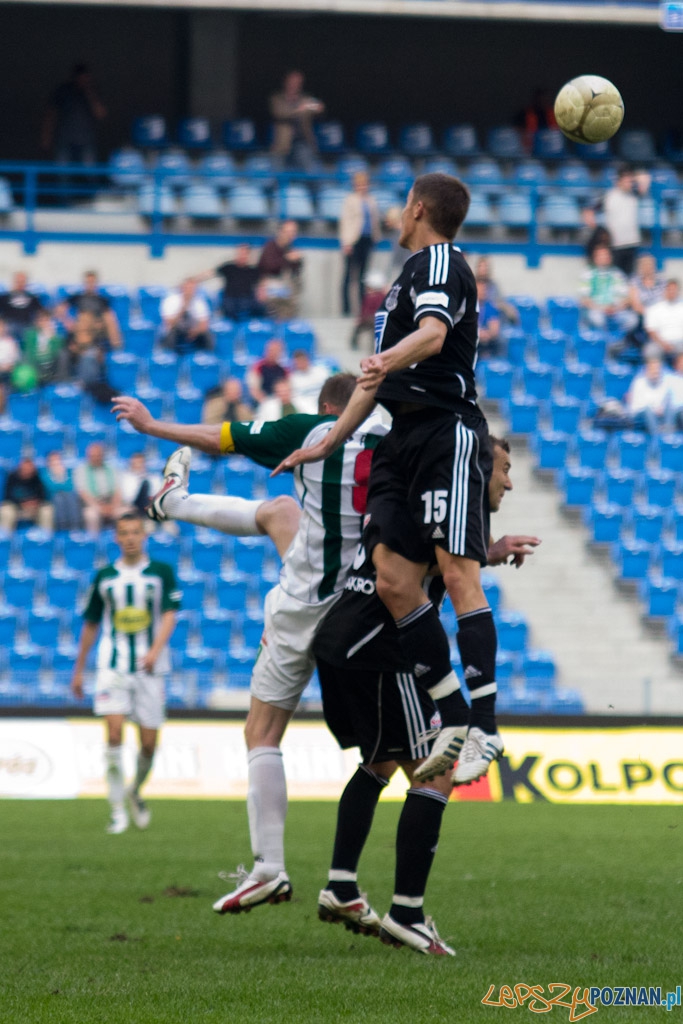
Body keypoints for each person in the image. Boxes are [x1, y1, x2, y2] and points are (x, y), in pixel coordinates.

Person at [111, 374, 388, 913]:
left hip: (304, 605)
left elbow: (220, 438)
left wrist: (151, 425)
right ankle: (371, 890)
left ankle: (268, 869)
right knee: (281, 511)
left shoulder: (310, 429)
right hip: (364, 606)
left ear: (329, 406)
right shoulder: (394, 438)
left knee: (261, 732)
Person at [275, 173, 502, 785]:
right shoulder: (407, 275)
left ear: (419, 208)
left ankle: (484, 727)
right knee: (396, 581)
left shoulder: (439, 260)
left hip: (442, 429)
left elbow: (431, 337)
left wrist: (386, 357)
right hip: (400, 438)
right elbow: (373, 382)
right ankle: (452, 714)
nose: (396, 216)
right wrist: (328, 440)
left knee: (455, 575)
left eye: (403, 205)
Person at [315, 437, 539, 954]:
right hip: (379, 652)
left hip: (341, 642)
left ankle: (342, 885)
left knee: (380, 765)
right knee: (438, 772)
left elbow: (423, 561)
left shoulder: (421, 502)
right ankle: (407, 912)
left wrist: (490, 549)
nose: (509, 480)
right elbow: (444, 573)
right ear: (478, 469)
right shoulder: (452, 508)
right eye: (504, 468)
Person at [70, 512, 179, 834]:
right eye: (124, 533)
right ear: (116, 538)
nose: (130, 538)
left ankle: (135, 790)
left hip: (151, 668)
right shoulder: (104, 577)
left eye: (135, 532)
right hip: (112, 666)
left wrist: (155, 650)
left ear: (144, 535)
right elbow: (91, 623)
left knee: (148, 745)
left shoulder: (161, 572)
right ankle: (116, 809)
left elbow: (170, 615)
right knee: (114, 735)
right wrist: (79, 670)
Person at [583, 164, 651, 277]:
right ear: (619, 181)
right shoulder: (609, 196)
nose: (629, 183)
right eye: (626, 180)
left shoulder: (634, 195)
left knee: (628, 277)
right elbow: (589, 211)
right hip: (615, 244)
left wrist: (636, 176)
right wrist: (595, 227)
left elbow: (645, 180)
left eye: (630, 180)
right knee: (615, 276)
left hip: (631, 243)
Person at [41, 62, 106, 166]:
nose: (83, 80)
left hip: (87, 140)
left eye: (86, 78)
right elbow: (50, 115)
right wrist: (46, 138)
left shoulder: (93, 91)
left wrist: (89, 94)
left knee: (91, 174)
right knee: (62, 174)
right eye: (81, 77)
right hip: (65, 140)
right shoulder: (63, 91)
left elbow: (101, 114)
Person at [339, 171, 381, 316]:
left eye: (364, 184)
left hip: (367, 240)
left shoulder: (371, 200)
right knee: (349, 275)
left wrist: (376, 236)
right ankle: (346, 310)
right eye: (360, 184)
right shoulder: (350, 200)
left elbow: (374, 221)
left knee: (364, 276)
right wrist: (346, 242)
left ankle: (364, 310)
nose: (362, 187)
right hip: (353, 240)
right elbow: (345, 222)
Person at [192, 244, 267, 322]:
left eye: (245, 253)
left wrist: (262, 292)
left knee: (257, 306)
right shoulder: (228, 267)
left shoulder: (253, 270)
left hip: (247, 298)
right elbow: (211, 273)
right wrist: (194, 280)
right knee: (228, 306)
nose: (242, 256)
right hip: (230, 298)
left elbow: (262, 283)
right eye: (240, 253)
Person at [269, 70, 324, 171]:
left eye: (298, 82)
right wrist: (299, 110)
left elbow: (319, 108)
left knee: (311, 169)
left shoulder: (306, 98)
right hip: (282, 143)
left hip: (302, 141)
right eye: (292, 81)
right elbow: (279, 113)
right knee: (277, 172)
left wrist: (315, 106)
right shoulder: (276, 98)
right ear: (286, 82)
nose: (295, 85)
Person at [57, 271, 122, 351]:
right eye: (88, 282)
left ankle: (117, 347)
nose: (90, 284)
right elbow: (60, 309)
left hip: (97, 328)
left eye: (92, 282)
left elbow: (108, 317)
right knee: (85, 317)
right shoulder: (78, 297)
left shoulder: (102, 300)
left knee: (109, 317)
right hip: (82, 326)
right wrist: (67, 321)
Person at [578, 243, 633, 334]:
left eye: (606, 255)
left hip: (616, 310)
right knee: (597, 318)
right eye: (601, 255)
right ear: (595, 258)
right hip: (596, 309)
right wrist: (602, 308)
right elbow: (584, 299)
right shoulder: (587, 274)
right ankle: (602, 341)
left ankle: (618, 341)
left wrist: (616, 308)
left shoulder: (617, 274)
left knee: (631, 320)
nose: (604, 257)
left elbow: (627, 298)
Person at [257, 221, 303, 320]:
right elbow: (270, 267)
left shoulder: (290, 248)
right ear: (281, 232)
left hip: (285, 286)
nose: (290, 235)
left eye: (293, 232)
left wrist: (298, 261)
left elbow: (296, 272)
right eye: (287, 232)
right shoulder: (270, 246)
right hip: (267, 284)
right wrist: (287, 258)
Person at [74, 442, 123, 533]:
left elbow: (117, 490)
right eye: (92, 456)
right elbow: (83, 493)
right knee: (91, 515)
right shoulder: (81, 470)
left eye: (97, 455)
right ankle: (94, 542)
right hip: (93, 504)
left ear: (102, 456)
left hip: (110, 502)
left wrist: (113, 506)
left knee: (124, 513)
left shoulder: (111, 469)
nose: (95, 458)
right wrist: (100, 507)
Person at [159, 279, 213, 355]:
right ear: (182, 288)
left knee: (207, 335)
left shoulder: (199, 302)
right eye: (188, 288)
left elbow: (204, 325)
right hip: (176, 329)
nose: (190, 291)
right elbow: (169, 323)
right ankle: (170, 358)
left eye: (192, 288)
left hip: (193, 330)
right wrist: (183, 307)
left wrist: (196, 331)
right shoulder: (170, 301)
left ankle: (208, 358)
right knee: (171, 334)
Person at [0, 456, 53, 531]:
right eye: (25, 466)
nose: (27, 469)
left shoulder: (36, 478)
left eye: (30, 467)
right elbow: (7, 496)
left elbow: (42, 495)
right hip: (17, 508)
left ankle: (46, 537)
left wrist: (34, 503)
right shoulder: (12, 477)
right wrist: (21, 503)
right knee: (6, 510)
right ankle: (5, 538)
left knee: (47, 509)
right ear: (20, 467)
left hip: (34, 508)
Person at [40, 450, 83, 531]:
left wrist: (61, 476)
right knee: (58, 497)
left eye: (58, 460)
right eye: (53, 461)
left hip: (68, 498)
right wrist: (60, 479)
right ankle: (62, 529)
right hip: (51, 499)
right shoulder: (44, 474)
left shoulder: (68, 472)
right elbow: (51, 488)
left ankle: (75, 528)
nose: (56, 463)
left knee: (71, 496)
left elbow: (71, 487)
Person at [21, 309, 65, 386]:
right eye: (41, 320)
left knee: (63, 354)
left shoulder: (54, 335)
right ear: (37, 321)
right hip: (37, 361)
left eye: (46, 320)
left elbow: (57, 350)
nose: (43, 322)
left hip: (51, 361)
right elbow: (30, 351)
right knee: (26, 357)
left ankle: (60, 382)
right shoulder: (31, 334)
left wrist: (53, 338)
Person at [644, 278, 683, 362]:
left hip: (680, 342)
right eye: (669, 289)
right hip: (660, 343)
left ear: (678, 291)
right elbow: (651, 331)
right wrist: (663, 344)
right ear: (665, 290)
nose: (672, 292)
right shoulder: (655, 309)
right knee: (650, 350)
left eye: (674, 290)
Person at [350, 272, 387, 352]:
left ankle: (354, 343)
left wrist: (360, 319)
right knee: (375, 333)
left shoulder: (369, 297)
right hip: (380, 319)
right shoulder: (384, 296)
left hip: (370, 319)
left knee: (359, 330)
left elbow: (365, 310)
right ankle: (373, 348)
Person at [245, 338, 289, 407]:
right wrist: (266, 403)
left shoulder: (284, 370)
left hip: (280, 403)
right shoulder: (257, 367)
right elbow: (253, 390)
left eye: (276, 351)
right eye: (271, 350)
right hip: (262, 403)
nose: (273, 353)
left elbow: (287, 389)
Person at [0, 272, 43, 338]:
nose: (20, 284)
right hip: (10, 324)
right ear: (14, 282)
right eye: (18, 281)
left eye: (22, 281)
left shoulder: (32, 298)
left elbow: (40, 312)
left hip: (27, 323)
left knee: (31, 331)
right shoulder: (5, 297)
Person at [119, 452, 163, 516]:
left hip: (150, 506)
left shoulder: (154, 478)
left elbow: (157, 494)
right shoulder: (125, 478)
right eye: (135, 463)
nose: (138, 465)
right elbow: (126, 497)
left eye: (141, 463)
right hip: (130, 506)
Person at [289, 349, 329, 415]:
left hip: (324, 402)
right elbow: (296, 399)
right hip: (306, 408)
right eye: (297, 362)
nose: (300, 364)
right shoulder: (293, 379)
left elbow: (329, 388)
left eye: (302, 361)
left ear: (307, 360)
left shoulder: (321, 371)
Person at [476, 279, 502, 359]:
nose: (483, 292)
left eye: (485, 289)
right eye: (480, 289)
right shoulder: (468, 307)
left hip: (487, 343)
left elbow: (495, 330)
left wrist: (485, 334)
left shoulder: (491, 307)